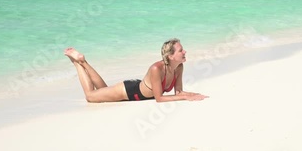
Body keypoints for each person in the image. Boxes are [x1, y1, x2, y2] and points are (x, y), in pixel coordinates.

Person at [64, 38, 208, 103]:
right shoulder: (156, 68)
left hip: (137, 88)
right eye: (181, 50)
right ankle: (78, 63)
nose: (185, 52)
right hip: (128, 91)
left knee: (103, 90)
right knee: (91, 96)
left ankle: (83, 62)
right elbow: (159, 98)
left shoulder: (178, 67)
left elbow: (178, 92)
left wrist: (193, 95)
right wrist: (185, 98)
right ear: (170, 56)